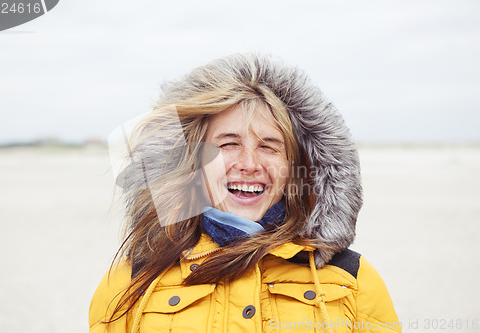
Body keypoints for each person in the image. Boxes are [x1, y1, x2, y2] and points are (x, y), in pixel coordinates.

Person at [89, 53, 401, 333]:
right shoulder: (130, 281)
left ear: (294, 166)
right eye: (228, 144)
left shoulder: (352, 281)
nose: (250, 164)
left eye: (269, 146)